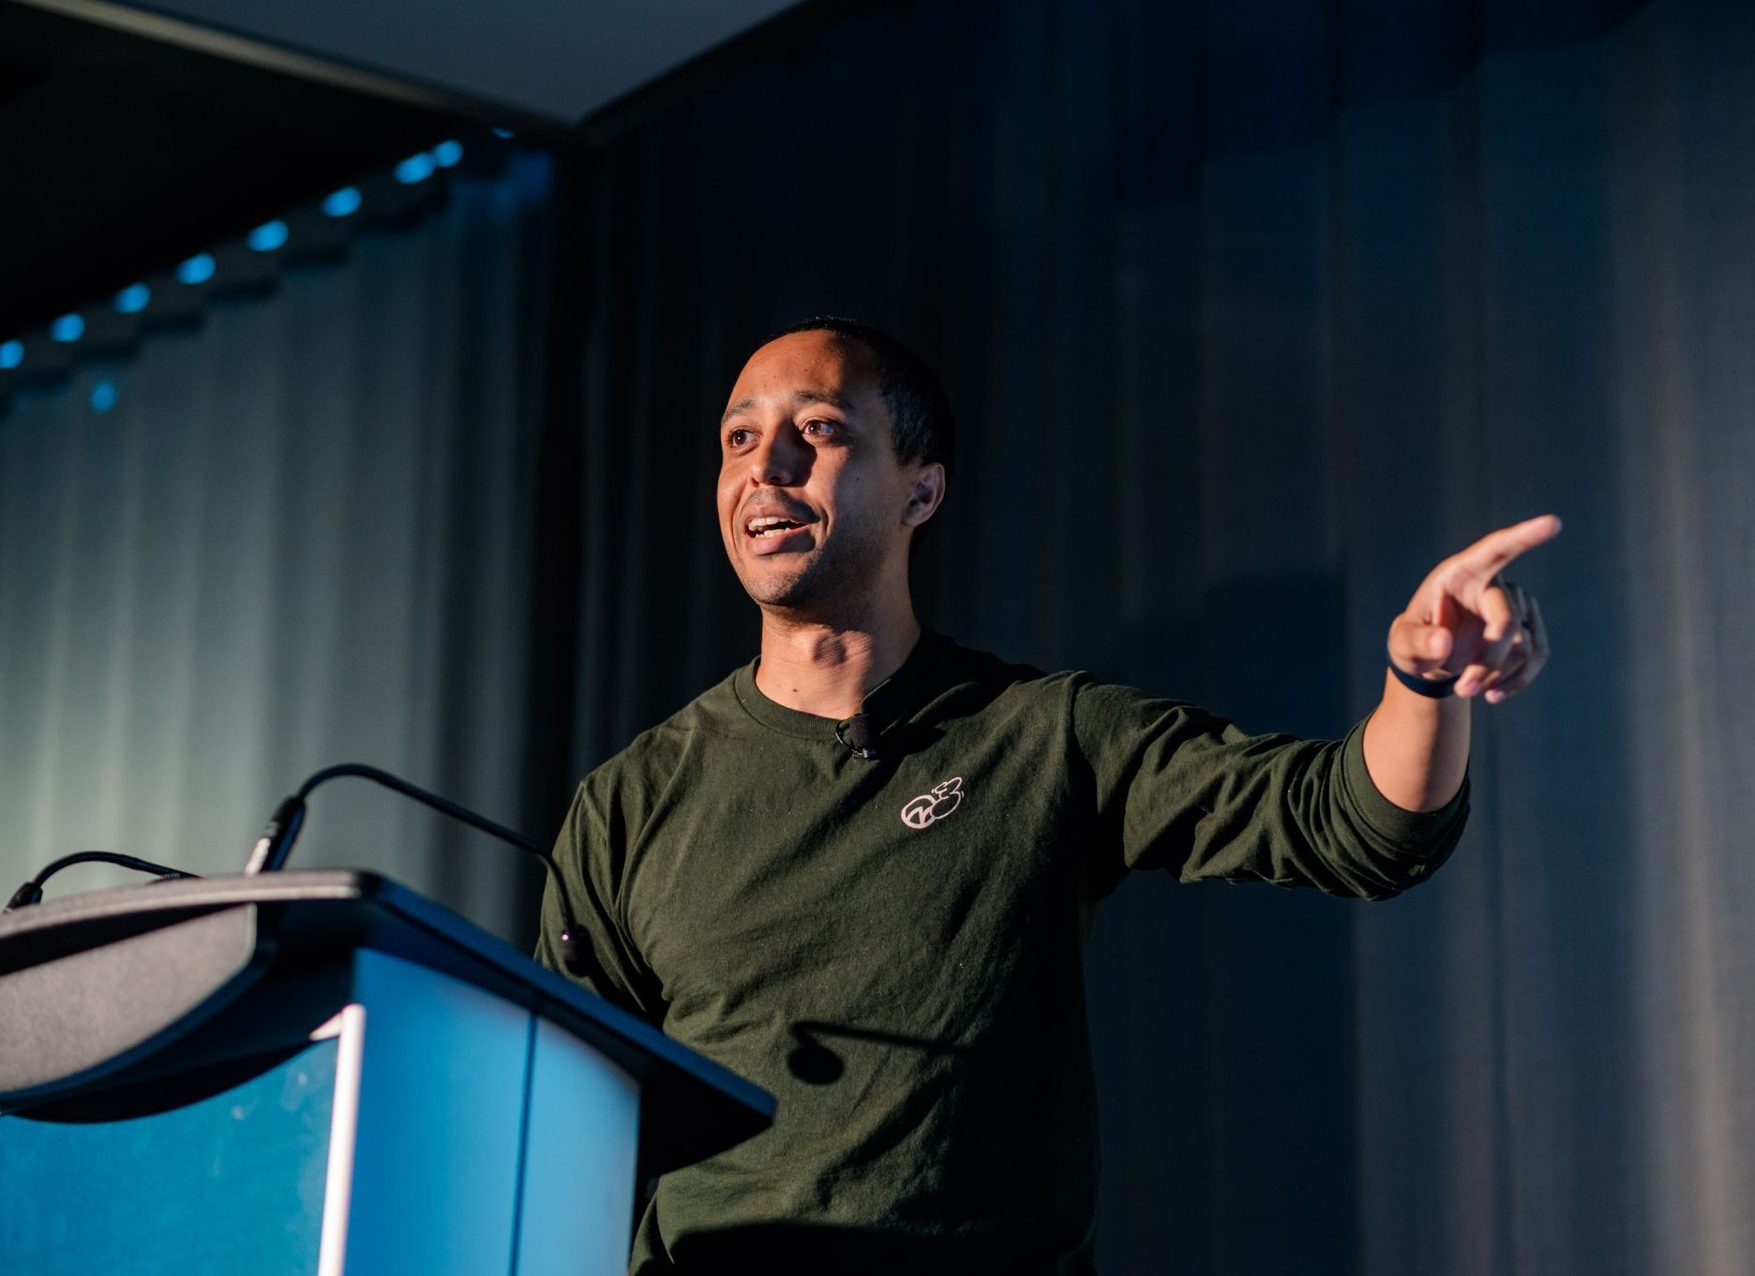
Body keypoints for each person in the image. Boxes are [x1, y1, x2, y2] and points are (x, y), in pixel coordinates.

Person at [537, 317, 1557, 1274]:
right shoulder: (632, 800)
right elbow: (555, 1132)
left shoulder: (1041, 734)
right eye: (740, 438)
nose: (767, 465)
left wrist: (1424, 682)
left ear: (920, 491)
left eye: (819, 429)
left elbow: (1354, 825)